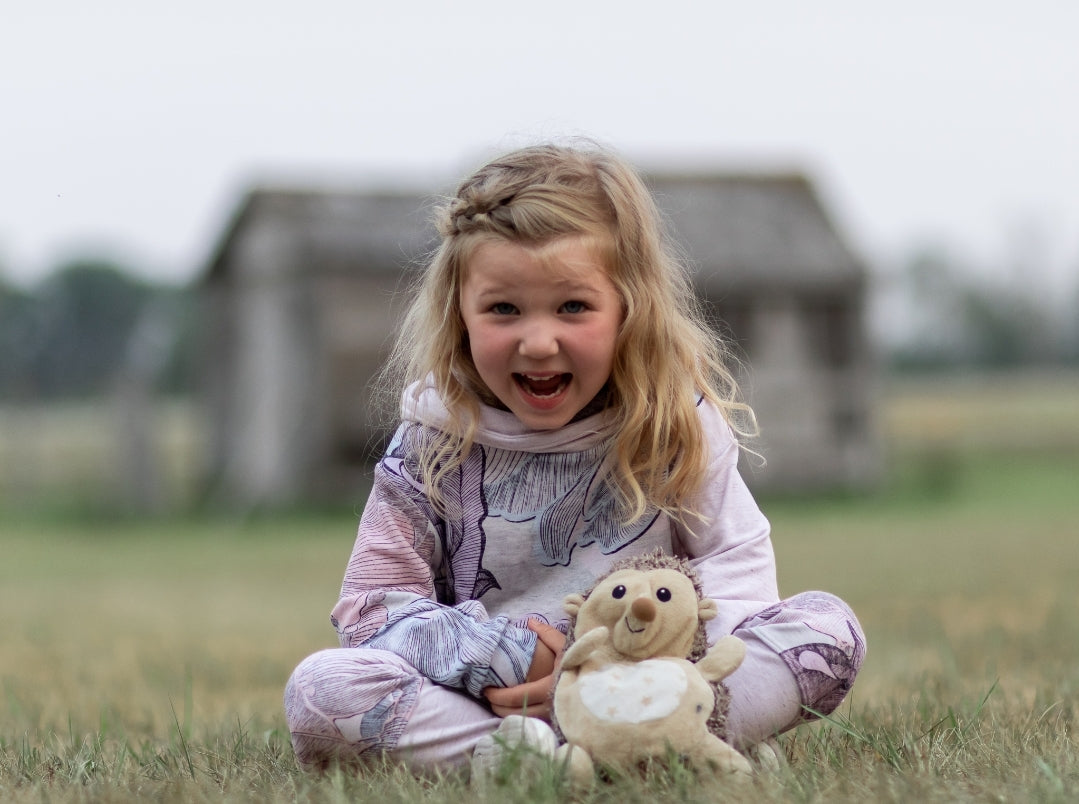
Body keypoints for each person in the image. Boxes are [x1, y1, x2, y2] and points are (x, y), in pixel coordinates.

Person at [284, 141, 865, 775]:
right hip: (496, 705)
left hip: (658, 685)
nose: (538, 341)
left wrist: (681, 672)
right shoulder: (432, 441)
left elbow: (736, 567)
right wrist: (495, 657)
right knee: (320, 689)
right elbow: (376, 606)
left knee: (828, 630)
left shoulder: (675, 422)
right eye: (503, 309)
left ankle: (678, 730)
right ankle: (561, 758)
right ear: (461, 316)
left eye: (573, 307)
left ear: (628, 308)